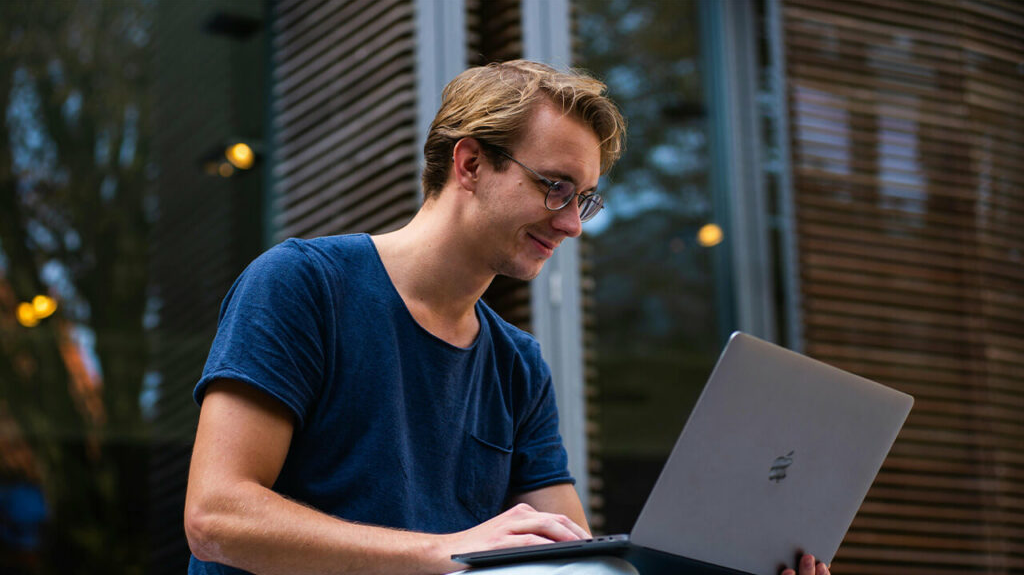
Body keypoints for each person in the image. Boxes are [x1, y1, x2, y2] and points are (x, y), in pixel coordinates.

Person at [184, 60, 830, 575]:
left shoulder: (517, 365)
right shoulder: (303, 285)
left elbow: (573, 562)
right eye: (554, 187)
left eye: (585, 200)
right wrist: (446, 552)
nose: (573, 223)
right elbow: (217, 519)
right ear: (469, 165)